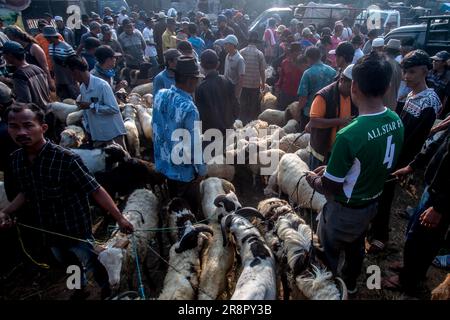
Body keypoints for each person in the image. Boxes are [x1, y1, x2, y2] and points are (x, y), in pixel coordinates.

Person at [0, 103, 134, 300]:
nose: (21, 132)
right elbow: (26, 192)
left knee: (92, 261)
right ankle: (79, 288)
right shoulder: (17, 160)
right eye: (14, 126)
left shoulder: (66, 159)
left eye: (28, 125)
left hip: (75, 229)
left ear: (42, 128)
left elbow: (95, 189)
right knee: (66, 261)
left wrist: (120, 218)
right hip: (49, 230)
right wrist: (7, 212)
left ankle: (107, 289)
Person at [306, 53, 404, 293]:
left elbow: (330, 187)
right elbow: (366, 161)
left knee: (327, 252)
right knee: (356, 246)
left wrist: (314, 178)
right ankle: (349, 285)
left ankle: (327, 290)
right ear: (388, 86)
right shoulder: (395, 120)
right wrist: (332, 170)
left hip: (344, 210)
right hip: (372, 202)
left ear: (355, 87)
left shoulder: (349, 134)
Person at [367, 50, 441, 253]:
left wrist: (405, 163)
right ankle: (374, 229)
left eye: (412, 72)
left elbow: (416, 138)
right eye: (405, 72)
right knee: (379, 192)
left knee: (385, 194)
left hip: (400, 156)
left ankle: (380, 236)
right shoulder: (411, 94)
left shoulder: (429, 101)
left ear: (425, 71)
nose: (407, 77)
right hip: (392, 151)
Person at [383, 127, 449, 296]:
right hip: (434, 187)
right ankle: (410, 267)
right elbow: (440, 143)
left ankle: (409, 281)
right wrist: (412, 166)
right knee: (416, 230)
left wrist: (439, 207)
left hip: (441, 197)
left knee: (422, 237)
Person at [152, 56, 206, 214]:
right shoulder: (189, 108)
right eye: (197, 79)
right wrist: (201, 171)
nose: (197, 83)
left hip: (164, 164)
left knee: (173, 205)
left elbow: (155, 126)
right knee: (188, 210)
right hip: (183, 171)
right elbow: (194, 144)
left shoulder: (160, 95)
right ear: (190, 80)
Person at [65, 56, 127, 148]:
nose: (71, 77)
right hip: (98, 133)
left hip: (112, 132)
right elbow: (87, 110)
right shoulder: (82, 87)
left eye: (70, 73)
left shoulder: (102, 85)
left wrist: (92, 105)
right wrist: (87, 127)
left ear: (75, 71)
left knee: (123, 159)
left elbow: (114, 108)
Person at [307, 64, 357, 169]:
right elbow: (314, 122)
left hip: (340, 151)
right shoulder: (323, 96)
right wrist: (340, 121)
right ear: (342, 80)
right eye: (350, 87)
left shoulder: (354, 96)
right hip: (323, 151)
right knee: (316, 180)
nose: (353, 90)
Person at [196, 49, 239, 135]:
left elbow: (200, 116)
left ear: (201, 65)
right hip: (228, 132)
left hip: (210, 135)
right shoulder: (227, 81)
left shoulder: (201, 88)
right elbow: (236, 107)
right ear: (218, 64)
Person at [4, 25, 54, 92]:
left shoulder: (34, 47)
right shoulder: (17, 49)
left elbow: (45, 67)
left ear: (13, 36)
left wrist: (50, 82)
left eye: (8, 38)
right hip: (27, 82)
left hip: (38, 81)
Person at [2, 41, 50, 111]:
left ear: (10, 55)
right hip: (46, 109)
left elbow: (24, 101)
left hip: (33, 114)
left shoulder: (19, 74)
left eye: (4, 55)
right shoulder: (37, 68)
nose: (3, 57)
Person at [297, 46, 336, 131]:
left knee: (307, 140)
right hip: (327, 114)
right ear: (320, 56)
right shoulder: (333, 72)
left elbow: (303, 97)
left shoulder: (307, 73)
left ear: (308, 58)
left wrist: (298, 111)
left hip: (310, 114)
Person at [45, 26, 79, 100]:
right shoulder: (50, 46)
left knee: (74, 97)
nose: (46, 39)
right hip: (59, 78)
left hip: (69, 78)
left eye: (47, 37)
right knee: (63, 98)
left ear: (52, 36)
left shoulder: (66, 47)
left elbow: (75, 61)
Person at [239, 31, 265, 124]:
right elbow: (262, 70)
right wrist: (263, 83)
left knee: (243, 104)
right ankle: (251, 123)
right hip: (254, 84)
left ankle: (242, 122)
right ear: (257, 42)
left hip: (243, 83)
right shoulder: (259, 54)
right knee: (253, 105)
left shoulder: (241, 52)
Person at [276, 43, 306, 111]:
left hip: (298, 94)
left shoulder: (304, 64)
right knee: (283, 113)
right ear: (292, 52)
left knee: (296, 114)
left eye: (300, 51)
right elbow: (281, 77)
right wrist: (278, 87)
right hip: (285, 92)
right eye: (297, 52)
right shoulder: (285, 62)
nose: (299, 53)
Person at [427, 51, 450, 118]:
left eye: (437, 60)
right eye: (433, 60)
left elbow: (446, 98)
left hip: (437, 109)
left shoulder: (448, 78)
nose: (433, 62)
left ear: (444, 63)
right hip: (425, 105)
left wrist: (439, 112)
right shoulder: (429, 73)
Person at [223, 35, 245, 100]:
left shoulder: (240, 59)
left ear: (232, 45)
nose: (224, 47)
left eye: (226, 44)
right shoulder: (227, 56)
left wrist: (236, 95)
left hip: (234, 89)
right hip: (226, 88)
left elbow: (241, 79)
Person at [383, 39, 403, 111]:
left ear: (386, 50)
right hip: (393, 105)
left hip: (383, 106)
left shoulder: (384, 64)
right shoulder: (398, 66)